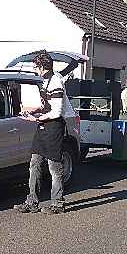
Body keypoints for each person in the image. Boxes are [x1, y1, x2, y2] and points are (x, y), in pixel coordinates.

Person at [16, 51, 76, 215]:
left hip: (54, 127)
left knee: (54, 166)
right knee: (34, 163)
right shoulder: (46, 80)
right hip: (44, 124)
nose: (34, 69)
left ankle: (58, 204)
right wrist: (34, 111)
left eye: (36, 66)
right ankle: (32, 201)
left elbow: (56, 112)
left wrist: (35, 119)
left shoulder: (56, 81)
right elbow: (47, 105)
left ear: (42, 67)